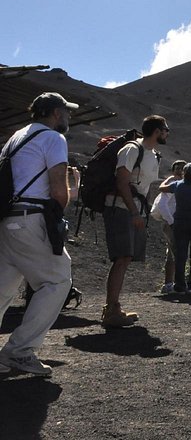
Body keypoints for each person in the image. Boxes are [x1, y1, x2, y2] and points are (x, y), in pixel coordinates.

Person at [0, 93, 76, 376]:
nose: (68, 117)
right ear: (56, 113)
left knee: (4, 289)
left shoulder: (16, 137)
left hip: (7, 220)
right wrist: (58, 218)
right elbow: (58, 187)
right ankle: (19, 351)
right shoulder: (54, 139)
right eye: (66, 112)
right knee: (57, 280)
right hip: (32, 219)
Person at [101, 114, 167, 328]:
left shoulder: (153, 154)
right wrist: (134, 213)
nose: (167, 133)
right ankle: (111, 311)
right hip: (120, 208)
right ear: (157, 131)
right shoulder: (132, 149)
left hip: (133, 210)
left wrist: (141, 213)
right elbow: (122, 182)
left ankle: (114, 308)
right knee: (122, 257)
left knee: (126, 258)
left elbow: (144, 188)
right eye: (166, 129)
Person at [158, 162, 191, 294]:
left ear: (185, 173)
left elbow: (161, 187)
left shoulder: (177, 185)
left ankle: (179, 285)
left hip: (180, 222)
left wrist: (170, 178)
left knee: (181, 254)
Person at [151, 159, 185, 293]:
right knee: (175, 252)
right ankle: (173, 284)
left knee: (172, 253)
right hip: (172, 223)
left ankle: (171, 283)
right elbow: (162, 204)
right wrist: (171, 221)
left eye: (183, 169)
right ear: (173, 171)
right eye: (177, 169)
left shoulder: (180, 184)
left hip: (174, 222)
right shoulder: (172, 184)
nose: (180, 171)